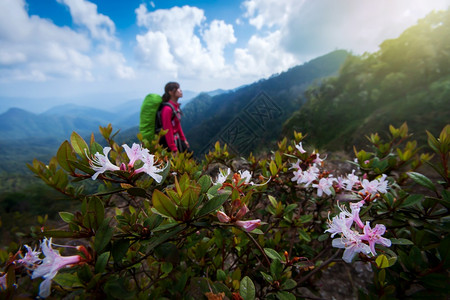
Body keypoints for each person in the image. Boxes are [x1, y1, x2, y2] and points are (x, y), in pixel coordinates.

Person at [160, 82, 190, 153]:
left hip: (177, 139)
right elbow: (168, 130)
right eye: (177, 89)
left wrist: (184, 139)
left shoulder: (175, 107)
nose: (180, 90)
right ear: (170, 92)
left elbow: (177, 125)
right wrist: (173, 149)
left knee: (189, 156)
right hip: (171, 142)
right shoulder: (167, 109)